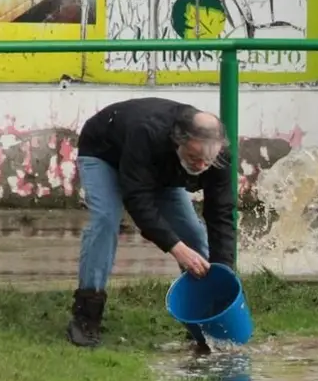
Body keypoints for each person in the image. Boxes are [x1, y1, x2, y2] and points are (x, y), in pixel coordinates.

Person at [68, 97, 236, 355]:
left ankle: (207, 323)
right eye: (195, 157)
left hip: (158, 170)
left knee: (194, 236)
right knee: (105, 220)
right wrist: (175, 248)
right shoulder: (147, 132)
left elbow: (221, 214)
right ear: (177, 140)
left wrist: (225, 276)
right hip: (105, 153)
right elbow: (138, 200)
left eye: (208, 160)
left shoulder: (218, 156)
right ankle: (86, 314)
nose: (202, 166)